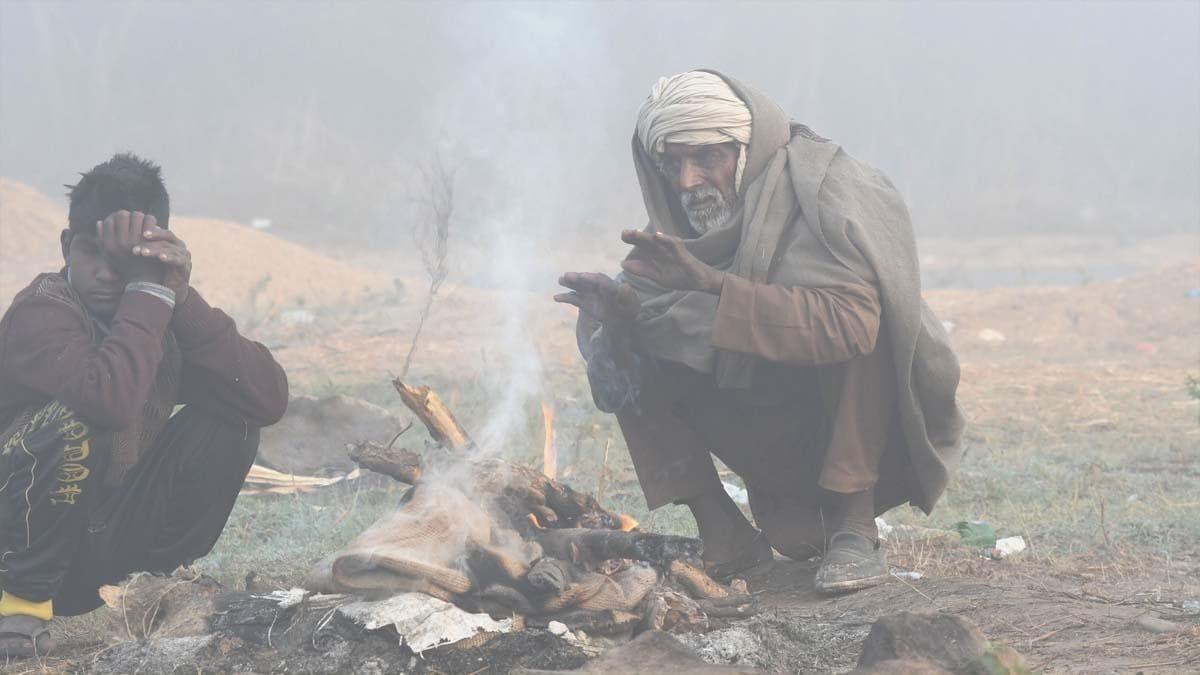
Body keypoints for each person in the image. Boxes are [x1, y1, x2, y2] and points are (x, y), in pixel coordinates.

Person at [556, 71, 964, 594]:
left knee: (870, 313)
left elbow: (851, 323)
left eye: (707, 158)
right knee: (617, 320)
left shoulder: (827, 189)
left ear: (747, 151)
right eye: (673, 162)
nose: (687, 181)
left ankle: (855, 528)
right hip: (760, 424)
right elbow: (619, 377)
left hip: (847, 426)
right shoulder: (679, 230)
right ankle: (724, 533)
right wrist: (617, 321)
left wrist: (712, 284)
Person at [0, 153, 288, 657]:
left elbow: (265, 398)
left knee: (233, 425)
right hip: (13, 546)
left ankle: (151, 591)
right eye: (94, 252)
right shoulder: (42, 312)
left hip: (91, 548)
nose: (112, 275)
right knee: (75, 417)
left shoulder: (152, 309)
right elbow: (106, 400)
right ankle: (18, 606)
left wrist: (178, 294)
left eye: (129, 260)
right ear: (67, 246)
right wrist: (149, 291)